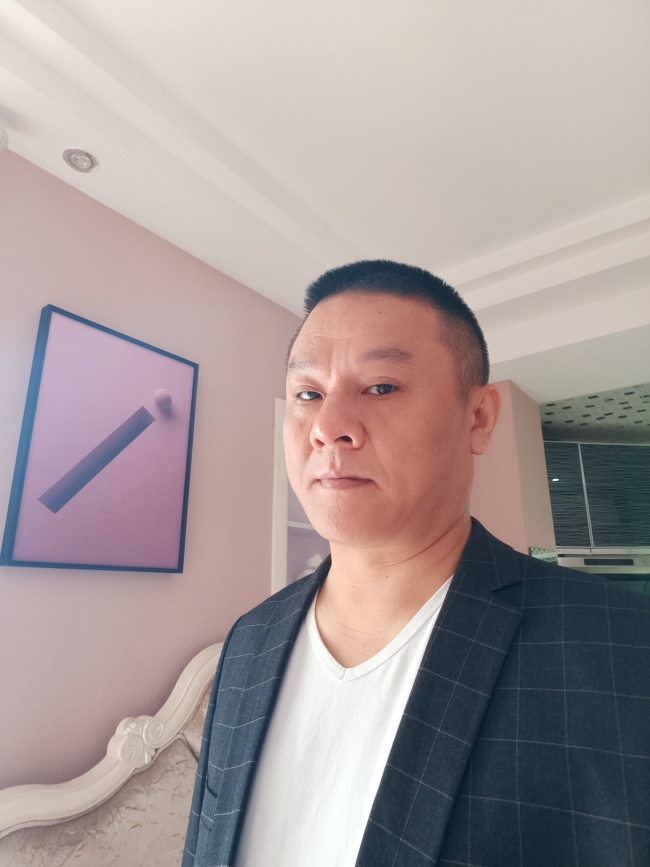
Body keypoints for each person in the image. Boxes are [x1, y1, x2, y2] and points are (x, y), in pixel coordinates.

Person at [183, 260, 650, 867]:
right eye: (308, 394)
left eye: (380, 387)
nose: (327, 428)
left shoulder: (619, 645)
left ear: (478, 418)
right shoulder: (248, 642)